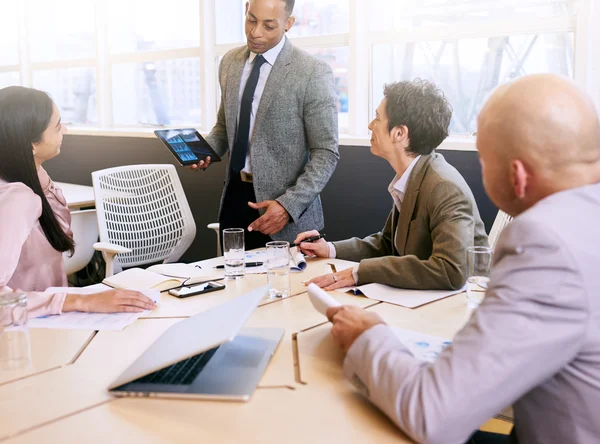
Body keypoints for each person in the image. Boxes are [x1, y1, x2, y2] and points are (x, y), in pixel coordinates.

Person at [325, 74, 600, 444]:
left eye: (483, 158)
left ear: (516, 176)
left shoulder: (547, 242)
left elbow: (431, 413)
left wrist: (367, 335)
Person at [295, 79, 488, 291]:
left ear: (399, 134)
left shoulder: (444, 187)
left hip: (458, 307)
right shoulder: (414, 175)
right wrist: (329, 249)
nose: (370, 125)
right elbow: (387, 244)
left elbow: (451, 270)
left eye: (377, 118)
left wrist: (359, 272)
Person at [189, 0, 339, 250]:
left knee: (285, 288)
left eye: (269, 26)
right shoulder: (229, 62)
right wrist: (205, 151)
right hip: (235, 200)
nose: (256, 32)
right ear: (246, 8)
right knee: (233, 285)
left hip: (286, 212)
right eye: (251, 20)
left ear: (288, 24)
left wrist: (288, 206)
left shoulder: (313, 71)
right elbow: (225, 127)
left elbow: (326, 153)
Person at [0, 86, 156, 318]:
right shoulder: (17, 198)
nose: (65, 130)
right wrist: (80, 300)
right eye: (57, 125)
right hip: (26, 334)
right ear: (31, 143)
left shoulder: (35, 180)